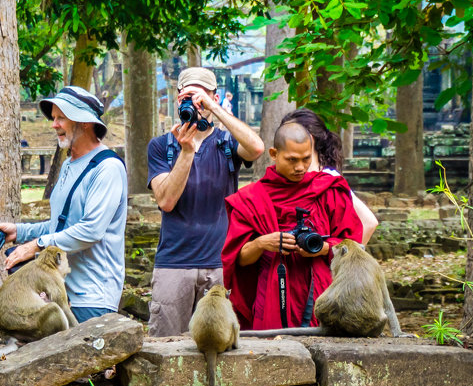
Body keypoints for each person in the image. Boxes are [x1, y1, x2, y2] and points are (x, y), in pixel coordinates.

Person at [0, 86, 128, 323]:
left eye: (61, 118)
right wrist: (20, 232)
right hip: (57, 294)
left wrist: (37, 245)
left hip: (91, 299)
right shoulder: (68, 166)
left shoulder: (108, 168)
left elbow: (91, 230)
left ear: (85, 122)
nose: (54, 125)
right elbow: (61, 226)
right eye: (53, 118)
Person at [146, 67, 265, 336]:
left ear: (215, 95)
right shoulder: (161, 146)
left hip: (219, 264)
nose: (196, 102)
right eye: (189, 95)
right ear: (179, 99)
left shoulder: (226, 143)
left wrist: (215, 108)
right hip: (173, 265)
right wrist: (187, 151)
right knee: (166, 350)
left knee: (220, 346)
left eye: (203, 94)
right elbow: (166, 201)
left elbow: (257, 148)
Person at [222, 121, 363, 330]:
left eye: (306, 159)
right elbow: (238, 259)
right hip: (271, 292)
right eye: (292, 160)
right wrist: (262, 243)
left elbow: (353, 245)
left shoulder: (328, 190)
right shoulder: (251, 198)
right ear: (273, 153)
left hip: (323, 293)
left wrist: (323, 248)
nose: (300, 167)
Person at [280, 108, 379, 243]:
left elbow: (369, 222)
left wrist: (344, 258)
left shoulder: (329, 178)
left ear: (311, 138)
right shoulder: (288, 177)